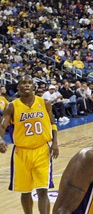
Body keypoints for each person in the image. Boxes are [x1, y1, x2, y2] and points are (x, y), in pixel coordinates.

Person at [0, 76, 59, 214]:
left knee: (42, 190)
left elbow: (52, 123)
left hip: (42, 151)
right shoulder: (12, 106)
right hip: (21, 153)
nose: (26, 85)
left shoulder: (45, 102)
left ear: (34, 87)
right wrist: (1, 139)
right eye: (23, 83)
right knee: (25, 191)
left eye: (29, 83)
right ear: (18, 88)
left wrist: (55, 142)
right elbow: (2, 126)